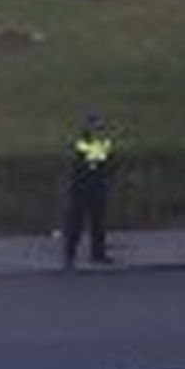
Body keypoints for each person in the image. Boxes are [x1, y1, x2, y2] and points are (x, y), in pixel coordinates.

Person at [63, 112, 115, 269]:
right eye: (96, 126)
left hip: (98, 188)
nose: (99, 129)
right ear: (89, 127)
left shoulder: (104, 143)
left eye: (100, 127)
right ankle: (69, 256)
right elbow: (80, 165)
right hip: (81, 188)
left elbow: (107, 164)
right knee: (76, 224)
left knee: (98, 224)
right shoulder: (82, 143)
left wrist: (106, 180)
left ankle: (98, 254)